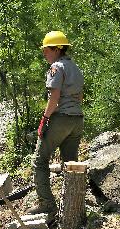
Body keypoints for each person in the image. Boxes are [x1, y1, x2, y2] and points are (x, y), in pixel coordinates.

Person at [27, 31, 84, 217]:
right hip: (77, 119)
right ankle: (73, 207)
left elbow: (54, 97)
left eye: (46, 49)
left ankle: (47, 203)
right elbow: (80, 97)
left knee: (39, 161)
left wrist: (44, 119)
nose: (44, 53)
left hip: (60, 118)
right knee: (71, 165)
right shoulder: (76, 68)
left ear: (57, 49)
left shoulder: (56, 68)